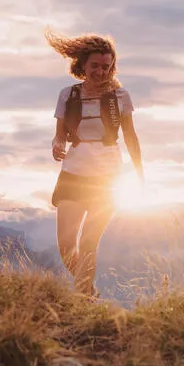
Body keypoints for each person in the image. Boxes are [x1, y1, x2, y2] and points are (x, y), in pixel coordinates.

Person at [46, 29, 144, 296]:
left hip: (107, 178)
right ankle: (89, 293)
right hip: (73, 174)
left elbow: (131, 137)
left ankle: (82, 302)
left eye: (106, 67)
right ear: (82, 65)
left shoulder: (120, 97)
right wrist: (57, 146)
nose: (101, 72)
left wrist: (139, 174)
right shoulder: (68, 96)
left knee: (88, 242)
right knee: (67, 245)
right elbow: (59, 136)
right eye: (95, 66)